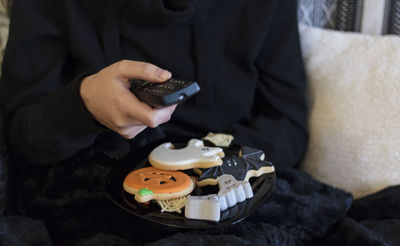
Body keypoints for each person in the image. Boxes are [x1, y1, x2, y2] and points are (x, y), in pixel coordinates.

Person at [0, 0, 308, 168]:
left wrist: (206, 160)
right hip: (90, 188)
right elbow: (21, 137)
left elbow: (288, 127)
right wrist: (84, 105)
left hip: (228, 188)